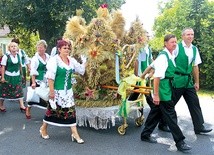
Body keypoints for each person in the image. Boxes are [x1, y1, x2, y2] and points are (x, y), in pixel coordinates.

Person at [140, 34, 191, 153]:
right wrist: (156, 95)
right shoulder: (164, 57)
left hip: (167, 87)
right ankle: (180, 142)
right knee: (171, 115)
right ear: (165, 43)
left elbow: (151, 66)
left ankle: (145, 135)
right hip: (163, 90)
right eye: (172, 42)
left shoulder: (169, 55)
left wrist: (142, 77)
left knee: (156, 112)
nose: (175, 44)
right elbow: (157, 77)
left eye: (175, 42)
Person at [39, 39, 86, 144]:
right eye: (64, 48)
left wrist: (85, 61)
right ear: (59, 49)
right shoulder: (54, 60)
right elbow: (50, 77)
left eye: (68, 48)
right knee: (51, 111)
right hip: (57, 91)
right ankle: (43, 128)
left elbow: (81, 70)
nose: (67, 50)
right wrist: (52, 92)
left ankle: (74, 133)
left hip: (68, 92)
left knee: (71, 112)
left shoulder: (71, 60)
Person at [173, 28, 212, 134]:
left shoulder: (194, 49)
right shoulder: (176, 47)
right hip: (177, 80)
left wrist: (197, 82)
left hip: (188, 81)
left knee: (194, 103)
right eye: (188, 34)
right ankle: (162, 123)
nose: (190, 36)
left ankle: (199, 127)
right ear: (182, 36)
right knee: (170, 104)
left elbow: (195, 66)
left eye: (192, 34)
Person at [134, 35, 169, 132]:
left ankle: (144, 116)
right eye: (146, 36)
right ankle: (143, 116)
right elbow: (136, 62)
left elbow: (151, 62)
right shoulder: (139, 48)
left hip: (146, 77)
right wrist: (137, 75)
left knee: (146, 97)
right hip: (140, 76)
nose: (147, 38)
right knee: (141, 97)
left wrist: (151, 73)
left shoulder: (148, 48)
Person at [25, 40, 50, 119]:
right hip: (37, 80)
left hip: (46, 79)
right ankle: (28, 109)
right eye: (38, 47)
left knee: (46, 96)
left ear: (45, 48)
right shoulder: (35, 58)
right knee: (33, 97)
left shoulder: (48, 57)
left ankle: (48, 112)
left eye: (41, 47)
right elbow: (33, 71)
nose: (40, 49)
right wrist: (33, 82)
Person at [0, 42, 26, 112]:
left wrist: (22, 74)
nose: (14, 47)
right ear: (9, 48)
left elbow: (19, 65)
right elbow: (3, 67)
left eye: (15, 46)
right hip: (8, 76)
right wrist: (2, 77)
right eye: (12, 46)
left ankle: (21, 105)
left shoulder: (18, 55)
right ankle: (1, 105)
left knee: (20, 90)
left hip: (17, 76)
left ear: (17, 48)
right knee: (4, 91)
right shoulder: (6, 56)